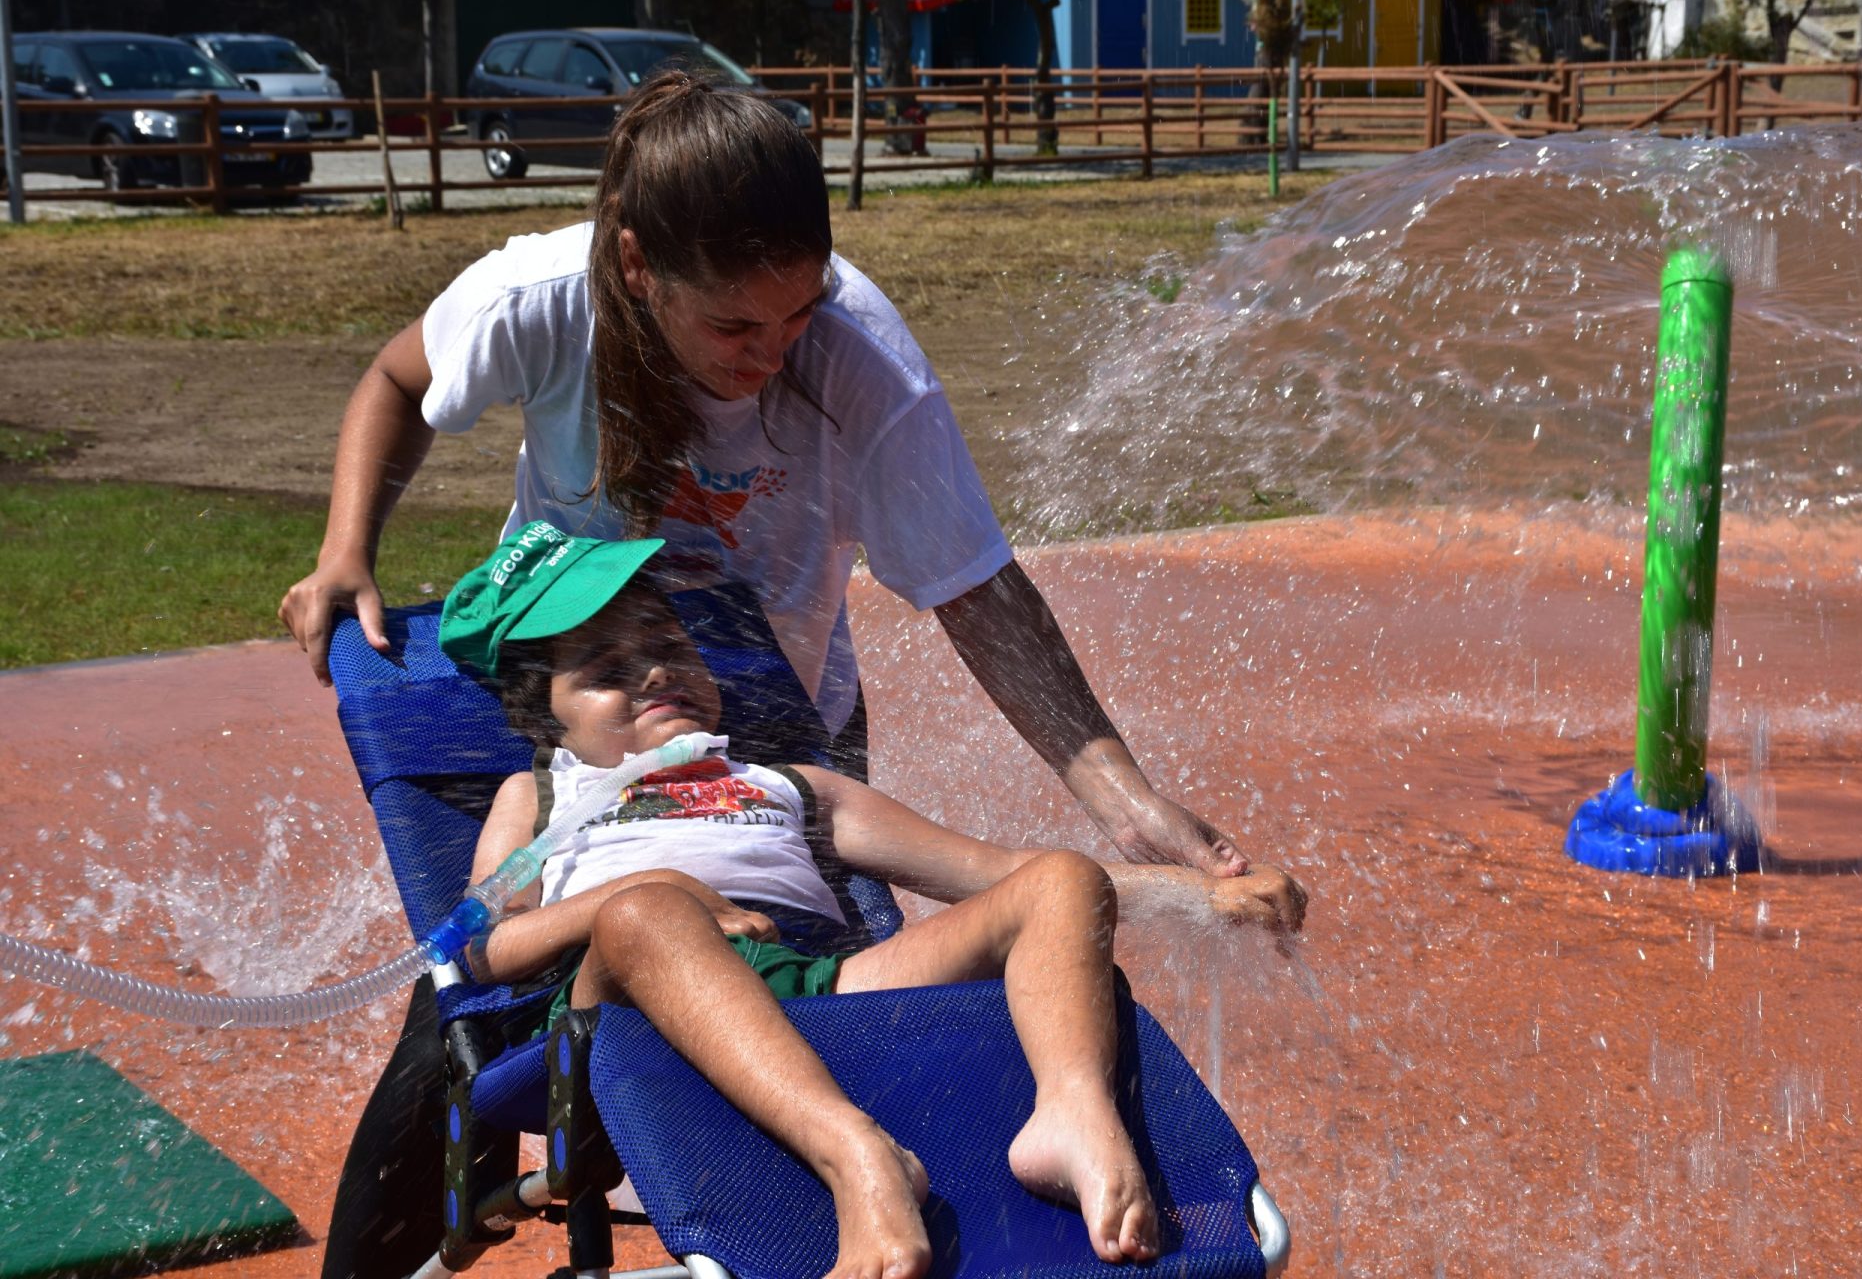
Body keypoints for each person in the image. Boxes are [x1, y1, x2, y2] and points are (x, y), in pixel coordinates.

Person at [283, 71, 1267, 1277]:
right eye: (739, 328)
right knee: (461, 1035)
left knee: (892, 1004)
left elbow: (977, 588)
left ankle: (953, 1167)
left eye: (799, 312)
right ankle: (754, 1160)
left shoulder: (855, 362)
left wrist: (1132, 810)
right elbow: (396, 380)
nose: (778, 352)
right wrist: (347, 553)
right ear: (638, 266)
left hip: (776, 706)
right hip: (583, 682)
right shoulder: (536, 302)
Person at [438, 525, 1308, 1278]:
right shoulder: (543, 800)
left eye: (669, 641)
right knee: (645, 919)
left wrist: (1202, 897)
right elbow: (479, 951)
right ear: (543, 717)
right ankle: (861, 1158)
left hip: (814, 986)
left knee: (1056, 880)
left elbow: (991, 871)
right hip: (625, 1008)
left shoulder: (790, 786)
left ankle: (1070, 1108)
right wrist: (647, 892)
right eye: (605, 670)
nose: (657, 668)